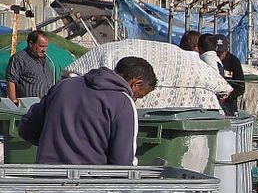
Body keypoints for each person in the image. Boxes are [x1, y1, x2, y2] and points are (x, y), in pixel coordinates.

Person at [20, 57, 156, 165]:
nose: (136, 100)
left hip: (46, 182)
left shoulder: (63, 86)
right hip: (89, 190)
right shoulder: (123, 102)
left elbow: (26, 128)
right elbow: (122, 162)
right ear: (136, 84)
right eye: (139, 95)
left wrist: (53, 146)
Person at [6, 30, 57, 103]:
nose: (44, 50)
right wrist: (14, 102)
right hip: (28, 109)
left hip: (45, 107)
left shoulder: (46, 60)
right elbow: (11, 80)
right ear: (31, 44)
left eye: (46, 46)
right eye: (41, 46)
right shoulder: (19, 58)